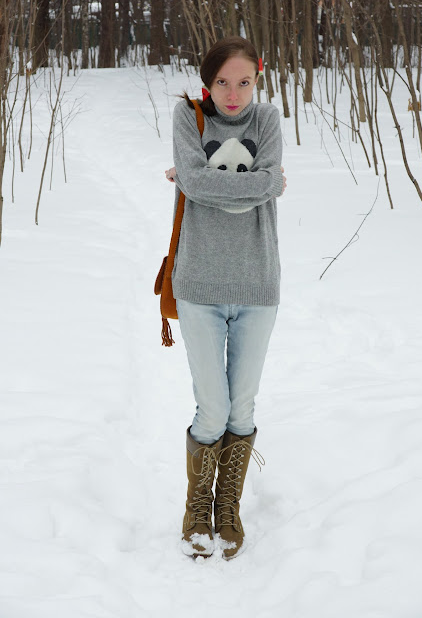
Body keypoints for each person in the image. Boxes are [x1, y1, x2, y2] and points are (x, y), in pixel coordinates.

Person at [164, 36, 286, 560]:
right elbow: (202, 182)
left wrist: (200, 182)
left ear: (257, 78)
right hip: (199, 285)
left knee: (242, 406)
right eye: (222, 82)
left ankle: (227, 508)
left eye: (244, 82)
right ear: (206, 82)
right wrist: (264, 185)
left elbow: (198, 183)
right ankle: (197, 508)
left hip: (258, 284)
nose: (233, 95)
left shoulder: (268, 120)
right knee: (212, 409)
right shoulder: (188, 118)